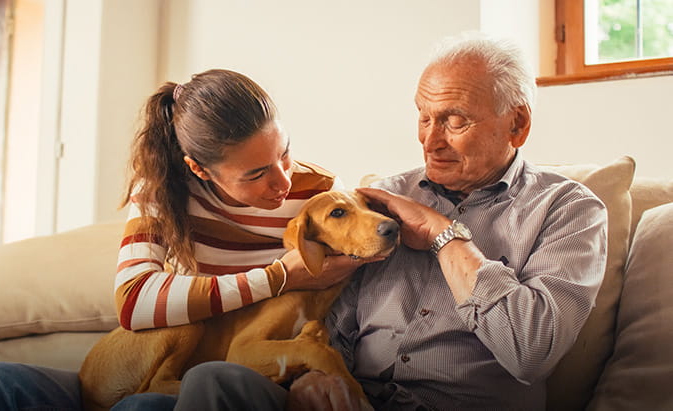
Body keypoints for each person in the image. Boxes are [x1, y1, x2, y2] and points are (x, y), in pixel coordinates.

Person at [162, 33, 609, 411]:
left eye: (454, 121)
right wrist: (311, 377)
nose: (430, 140)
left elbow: (531, 350)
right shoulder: (381, 199)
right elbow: (333, 318)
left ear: (518, 123)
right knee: (211, 382)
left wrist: (443, 235)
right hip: (356, 400)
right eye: (424, 117)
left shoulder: (568, 210)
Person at [0, 69, 373, 410]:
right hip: (153, 363)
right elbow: (134, 301)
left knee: (147, 405)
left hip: (223, 375)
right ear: (199, 169)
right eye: (255, 174)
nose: (283, 181)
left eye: (284, 153)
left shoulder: (320, 195)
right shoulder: (164, 192)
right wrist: (278, 277)